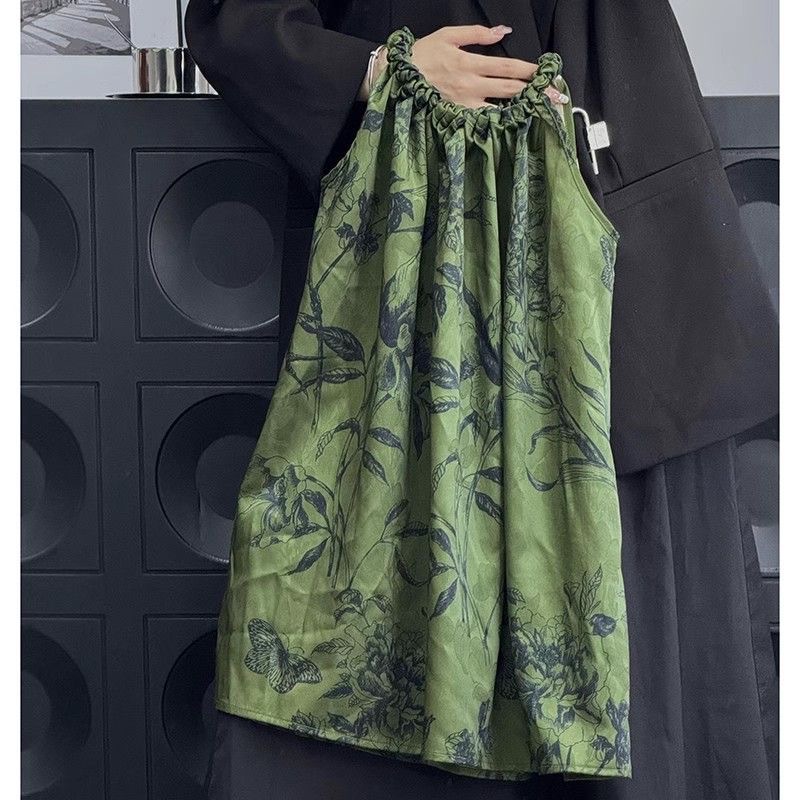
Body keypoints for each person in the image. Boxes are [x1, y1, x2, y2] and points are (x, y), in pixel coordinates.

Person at [186, 3, 779, 798]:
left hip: (626, 261)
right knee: (393, 632)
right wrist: (379, 73)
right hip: (421, 280)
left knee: (640, 646)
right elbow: (235, 22)